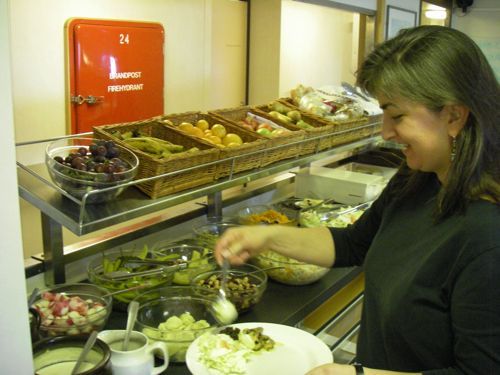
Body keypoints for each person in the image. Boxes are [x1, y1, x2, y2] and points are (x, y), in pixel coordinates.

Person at [215, 25, 500, 375]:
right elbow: (354, 243)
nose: (385, 132)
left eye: (397, 116)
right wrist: (265, 237)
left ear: (453, 116)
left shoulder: (487, 235)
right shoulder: (418, 179)